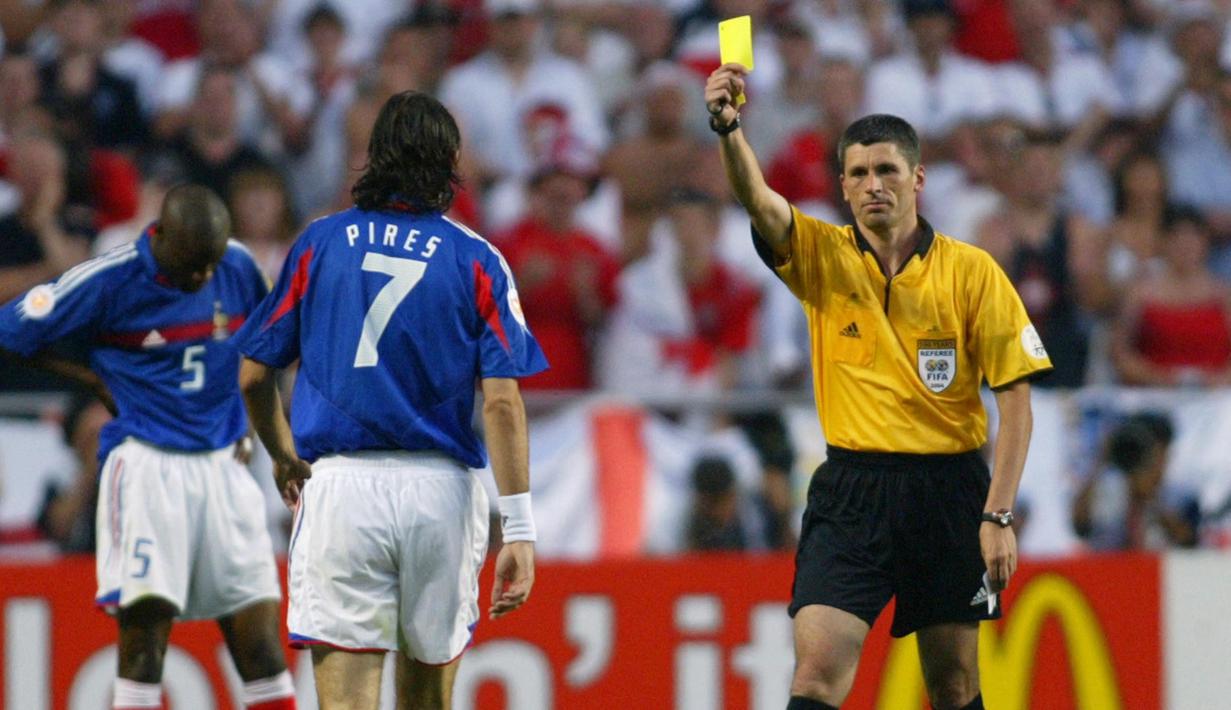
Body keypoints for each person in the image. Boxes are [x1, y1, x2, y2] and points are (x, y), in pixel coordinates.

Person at [705, 64, 1053, 710]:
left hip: (949, 491)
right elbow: (758, 200)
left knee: (951, 682)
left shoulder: (971, 273)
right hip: (851, 494)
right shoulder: (820, 256)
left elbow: (1015, 398)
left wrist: (997, 514)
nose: (873, 185)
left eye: (887, 171)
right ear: (841, 186)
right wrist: (729, 129)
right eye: (859, 174)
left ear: (916, 178)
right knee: (814, 677)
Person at [234, 91, 546, 710]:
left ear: (374, 157)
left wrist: (283, 455)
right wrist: (520, 528)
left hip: (342, 490)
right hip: (440, 494)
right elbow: (504, 404)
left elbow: (251, 375)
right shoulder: (478, 258)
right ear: (449, 162)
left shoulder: (319, 244)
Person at [0, 185, 297, 710]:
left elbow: (270, 342)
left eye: (211, 264)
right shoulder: (109, 279)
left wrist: (257, 427)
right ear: (160, 238)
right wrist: (89, 378)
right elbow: (12, 328)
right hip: (146, 466)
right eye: (193, 265)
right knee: (145, 646)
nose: (205, 277)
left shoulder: (237, 264)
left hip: (226, 466)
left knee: (262, 646)